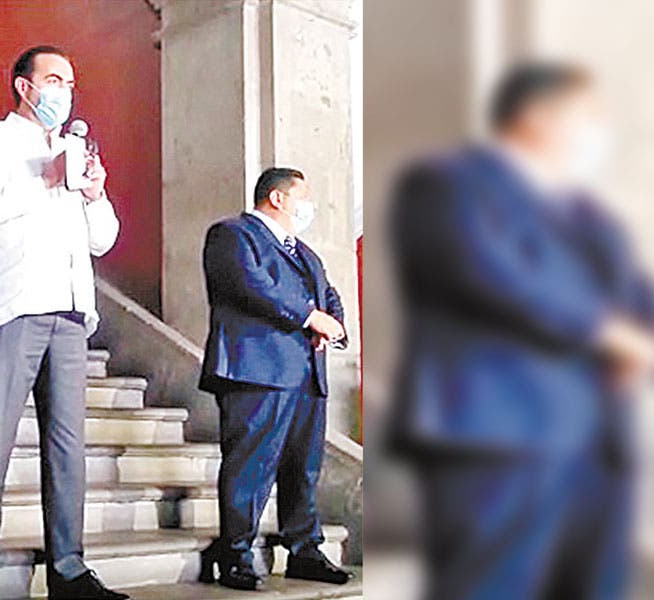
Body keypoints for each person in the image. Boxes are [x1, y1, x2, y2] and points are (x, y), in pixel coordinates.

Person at [388, 63, 654, 600]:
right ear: (536, 115)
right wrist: (604, 332)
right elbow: (485, 270)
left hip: (599, 438)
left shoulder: (590, 214)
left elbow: (636, 296)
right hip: (497, 431)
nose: (599, 133)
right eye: (588, 117)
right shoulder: (446, 183)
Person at [0, 45, 128, 600]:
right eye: (53, 80)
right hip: (13, 307)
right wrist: (43, 181)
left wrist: (93, 194)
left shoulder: (73, 149)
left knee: (68, 447)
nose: (64, 92)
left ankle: (68, 569)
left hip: (70, 311)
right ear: (24, 87)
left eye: (69, 83)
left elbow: (103, 239)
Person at [198, 168, 353, 591]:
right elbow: (253, 286)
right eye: (303, 197)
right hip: (257, 369)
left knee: (303, 467)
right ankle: (235, 553)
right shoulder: (232, 235)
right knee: (251, 465)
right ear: (278, 198)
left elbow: (329, 295)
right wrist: (309, 316)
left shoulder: (305, 253)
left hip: (306, 372)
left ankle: (304, 549)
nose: (309, 206)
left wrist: (332, 325)